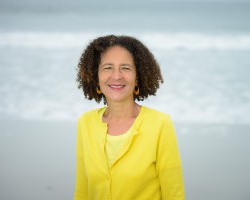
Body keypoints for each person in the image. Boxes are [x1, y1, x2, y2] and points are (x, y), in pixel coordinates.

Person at [74, 35, 185, 200]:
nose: (117, 76)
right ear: (95, 76)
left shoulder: (160, 124)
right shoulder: (85, 123)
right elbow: (82, 192)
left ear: (137, 76)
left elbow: (174, 195)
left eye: (125, 68)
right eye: (107, 68)